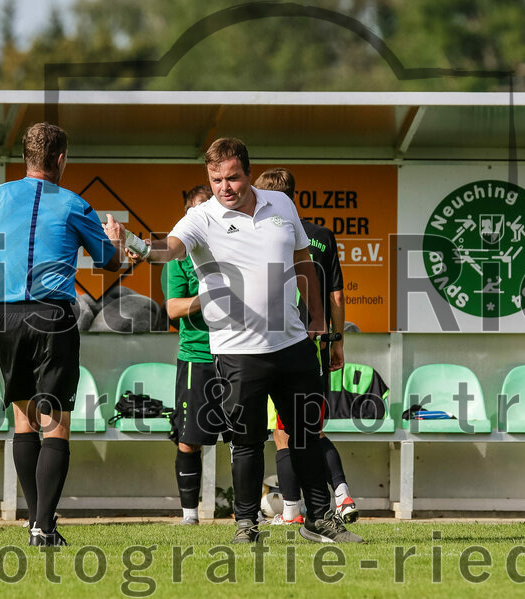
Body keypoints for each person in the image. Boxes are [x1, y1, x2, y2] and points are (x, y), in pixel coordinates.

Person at [138, 137, 364, 544]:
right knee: (246, 442)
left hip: (294, 345)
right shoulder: (201, 218)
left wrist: (316, 316)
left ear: (247, 171)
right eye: (216, 179)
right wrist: (136, 245)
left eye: (233, 177)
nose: (225, 186)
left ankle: (319, 519)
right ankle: (247, 524)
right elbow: (168, 249)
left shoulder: (281, 205)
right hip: (238, 353)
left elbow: (302, 261)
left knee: (307, 436)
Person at [0, 122, 125, 546]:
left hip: (4, 316)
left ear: (26, 158)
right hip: (53, 316)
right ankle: (42, 525)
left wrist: (3, 281)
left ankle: (38, 523)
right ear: (61, 160)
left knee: (23, 420)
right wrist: (116, 241)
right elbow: (109, 262)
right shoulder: (75, 204)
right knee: (55, 423)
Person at [254, 168, 359, 524]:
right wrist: (337, 342)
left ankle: (293, 512)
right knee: (311, 430)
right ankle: (341, 494)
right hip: (314, 345)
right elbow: (338, 296)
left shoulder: (264, 236)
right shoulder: (322, 236)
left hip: (275, 344)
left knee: (283, 432)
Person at [165, 185, 228, 525]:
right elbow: (173, 308)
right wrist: (207, 297)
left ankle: (247, 515)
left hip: (238, 354)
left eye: (210, 207)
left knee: (241, 439)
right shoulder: (180, 257)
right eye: (197, 210)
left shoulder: (236, 245)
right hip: (197, 357)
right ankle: (190, 515)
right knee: (190, 441)